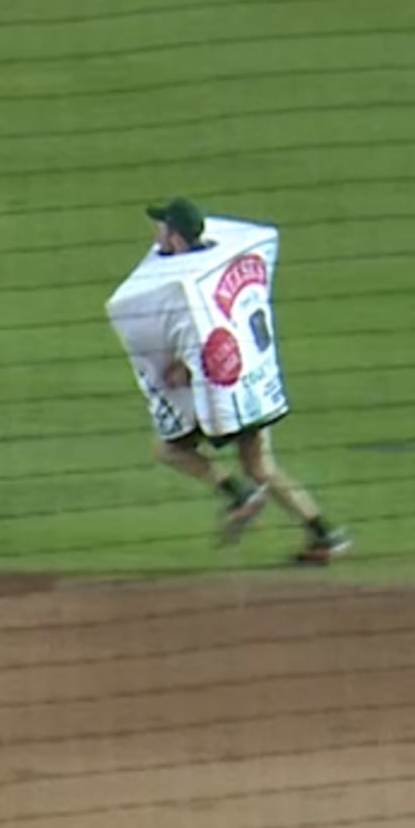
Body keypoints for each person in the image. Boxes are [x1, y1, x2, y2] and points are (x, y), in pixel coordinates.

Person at [142, 197, 352, 565]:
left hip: (221, 394)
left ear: (174, 237)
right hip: (252, 384)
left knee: (169, 449)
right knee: (261, 468)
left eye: (162, 226)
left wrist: (182, 369)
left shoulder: (189, 282)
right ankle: (325, 533)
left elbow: (207, 338)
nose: (155, 230)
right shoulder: (219, 260)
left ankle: (237, 493)